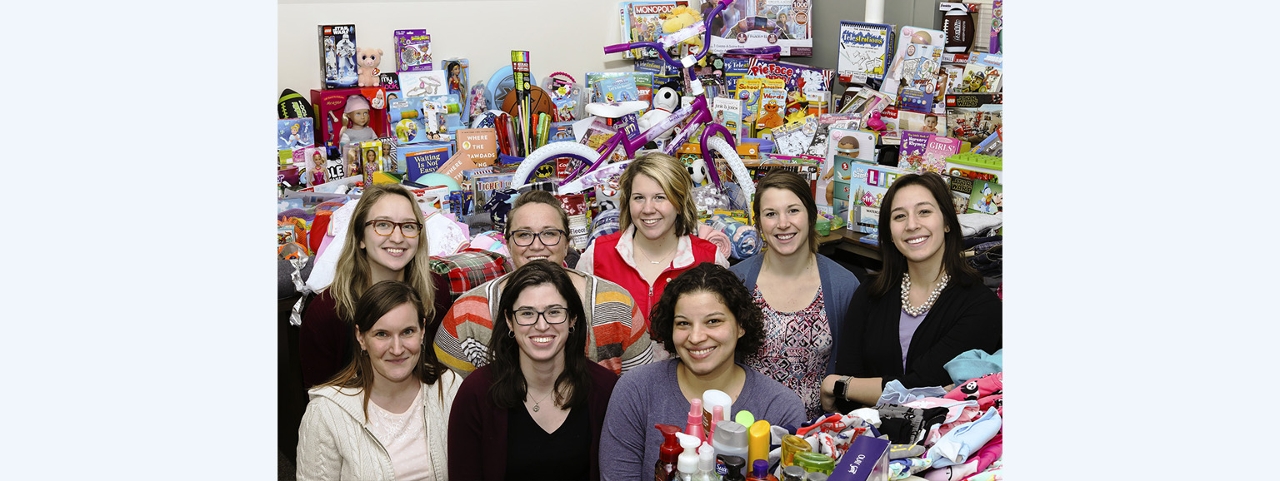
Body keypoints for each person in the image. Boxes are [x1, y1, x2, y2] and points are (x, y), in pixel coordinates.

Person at [599, 263, 805, 480]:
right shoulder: (636, 391)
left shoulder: (780, 408)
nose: (696, 337)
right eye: (683, 323)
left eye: (713, 321)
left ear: (741, 326)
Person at [821, 173, 1001, 413]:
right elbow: (849, 385)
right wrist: (847, 386)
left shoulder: (982, 306)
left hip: (945, 443)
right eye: (899, 216)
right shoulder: (870, 292)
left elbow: (923, 385)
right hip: (865, 437)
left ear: (947, 221)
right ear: (889, 233)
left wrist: (838, 385)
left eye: (924, 212)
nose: (912, 224)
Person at [434, 190, 654, 377]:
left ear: (568, 242)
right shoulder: (468, 314)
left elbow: (640, 398)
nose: (537, 246)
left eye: (549, 234)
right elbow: (447, 402)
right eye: (523, 234)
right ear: (508, 243)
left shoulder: (616, 305)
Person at [448, 260, 619, 481]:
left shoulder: (605, 390)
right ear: (509, 321)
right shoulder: (476, 393)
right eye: (527, 313)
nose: (541, 325)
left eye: (554, 312)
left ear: (573, 319)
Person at [297, 280, 462, 481]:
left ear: (422, 331)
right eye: (382, 334)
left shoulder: (448, 387)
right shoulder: (326, 413)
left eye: (407, 332)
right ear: (361, 337)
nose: (397, 349)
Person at [729, 170, 860, 419]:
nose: (783, 223)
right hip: (746, 429)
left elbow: (852, 369)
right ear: (758, 224)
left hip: (814, 434)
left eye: (793, 210)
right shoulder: (737, 282)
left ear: (811, 215)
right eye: (770, 214)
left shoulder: (842, 286)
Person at [300, 184, 452, 388]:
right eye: (383, 225)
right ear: (360, 237)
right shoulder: (326, 312)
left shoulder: (435, 292)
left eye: (408, 226)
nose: (397, 238)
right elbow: (317, 403)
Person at [577, 152, 729, 338]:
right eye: (639, 198)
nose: (648, 209)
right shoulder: (597, 256)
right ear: (627, 202)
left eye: (660, 197)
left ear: (680, 204)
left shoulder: (709, 258)